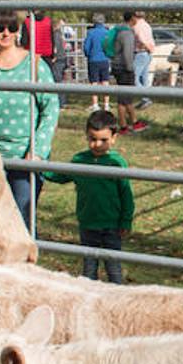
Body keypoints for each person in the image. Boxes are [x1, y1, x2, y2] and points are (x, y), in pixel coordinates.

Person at [0, 9, 61, 230]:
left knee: (20, 222)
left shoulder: (36, 66)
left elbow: (50, 108)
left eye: (12, 27)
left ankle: (19, 264)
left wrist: (37, 150)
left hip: (25, 158)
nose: (6, 33)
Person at [44, 109, 134, 283]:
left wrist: (125, 221)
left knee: (113, 266)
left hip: (111, 224)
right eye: (93, 139)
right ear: (86, 136)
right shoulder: (79, 160)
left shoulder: (116, 163)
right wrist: (42, 167)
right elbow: (62, 176)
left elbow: (126, 194)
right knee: (89, 266)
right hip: (87, 223)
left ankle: (116, 297)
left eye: (104, 140)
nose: (97, 144)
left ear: (114, 138)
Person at [109, 11, 144, 133]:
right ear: (132, 18)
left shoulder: (119, 30)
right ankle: (126, 125)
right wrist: (130, 68)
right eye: (136, 17)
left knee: (124, 97)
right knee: (124, 97)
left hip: (117, 66)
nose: (138, 19)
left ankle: (132, 122)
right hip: (124, 68)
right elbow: (127, 53)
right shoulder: (127, 33)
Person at [82, 13, 112, 110]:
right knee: (105, 81)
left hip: (93, 60)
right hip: (104, 59)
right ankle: (106, 104)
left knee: (94, 82)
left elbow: (86, 47)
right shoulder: (107, 32)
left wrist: (88, 55)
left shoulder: (91, 32)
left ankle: (95, 104)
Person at [130, 10, 156, 109]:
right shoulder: (146, 25)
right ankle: (145, 98)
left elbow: (141, 39)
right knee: (144, 77)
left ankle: (145, 98)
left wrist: (147, 46)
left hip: (140, 52)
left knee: (134, 77)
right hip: (147, 53)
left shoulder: (137, 26)